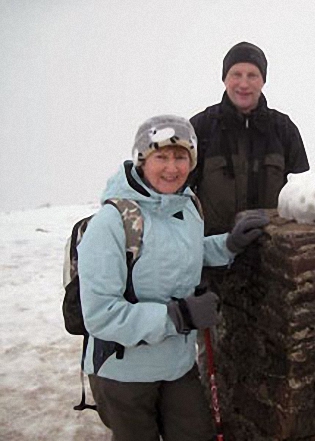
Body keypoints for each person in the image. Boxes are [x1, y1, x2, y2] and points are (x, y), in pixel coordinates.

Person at [77, 115, 268, 441]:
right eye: (161, 156)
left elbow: (189, 252)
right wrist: (179, 315)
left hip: (177, 364)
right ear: (142, 159)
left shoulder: (188, 206)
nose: (172, 167)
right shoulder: (112, 222)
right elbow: (100, 315)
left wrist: (229, 243)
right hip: (125, 373)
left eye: (181, 157)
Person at [188, 41, 310, 236]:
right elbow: (177, 194)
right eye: (236, 74)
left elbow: (303, 194)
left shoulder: (284, 129)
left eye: (252, 75)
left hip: (273, 252)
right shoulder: (200, 127)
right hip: (213, 253)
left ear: (263, 81)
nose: (244, 84)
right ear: (224, 79)